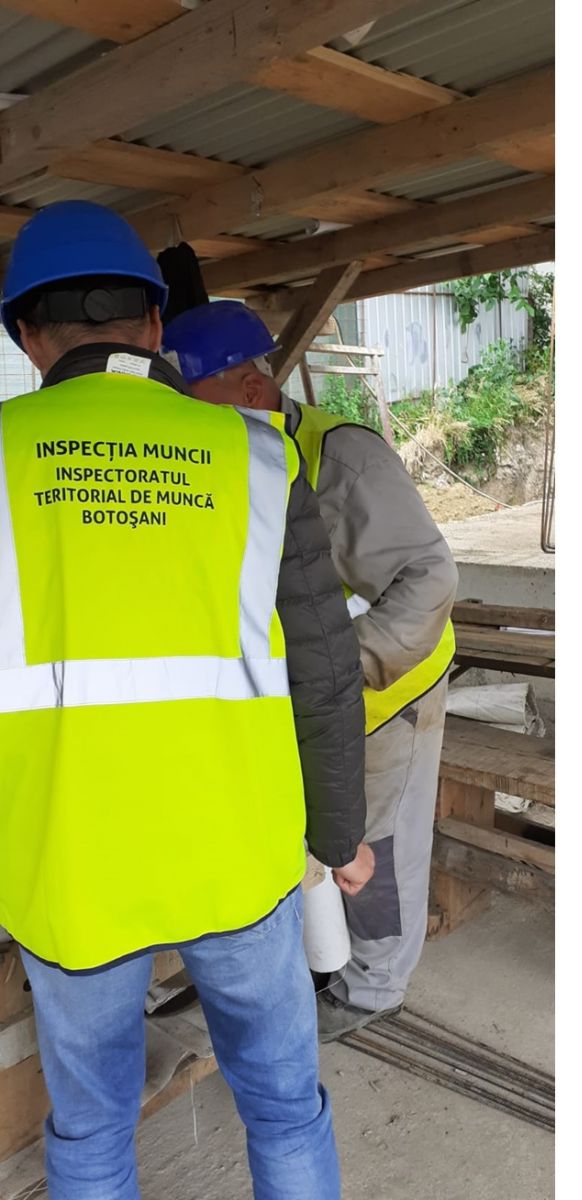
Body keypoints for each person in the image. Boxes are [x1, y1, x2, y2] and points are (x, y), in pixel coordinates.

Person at [0, 202, 374, 1200]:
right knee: (284, 1107)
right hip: (237, 855)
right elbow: (324, 670)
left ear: (27, 336)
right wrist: (338, 836)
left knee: (91, 1132)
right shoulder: (257, 456)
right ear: (157, 323)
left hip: (67, 867)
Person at [163, 300, 459, 1038]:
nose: (178, 424)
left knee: (376, 840)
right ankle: (315, 960)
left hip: (384, 691)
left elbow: (428, 578)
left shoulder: (343, 459)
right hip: (298, 699)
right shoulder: (217, 460)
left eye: (189, 404)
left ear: (250, 389)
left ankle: (373, 988)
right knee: (312, 834)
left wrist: (337, 672)